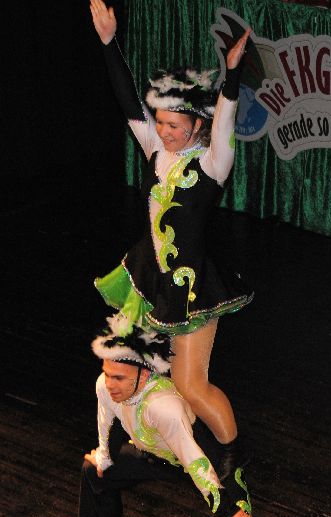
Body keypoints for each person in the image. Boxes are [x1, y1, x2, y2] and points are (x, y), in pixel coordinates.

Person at [89, 0, 253, 477]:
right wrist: (108, 43)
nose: (163, 131)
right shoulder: (156, 151)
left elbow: (226, 119)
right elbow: (127, 102)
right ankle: (158, 441)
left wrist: (233, 75)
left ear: (197, 125)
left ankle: (234, 449)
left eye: (174, 125)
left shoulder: (213, 163)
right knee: (155, 370)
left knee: (191, 384)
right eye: (159, 122)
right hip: (154, 280)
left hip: (195, 286)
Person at [69, 313, 265, 517]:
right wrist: (104, 458)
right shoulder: (104, 386)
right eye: (107, 373)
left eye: (119, 378)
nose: (110, 384)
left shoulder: (163, 407)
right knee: (93, 469)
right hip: (155, 455)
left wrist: (223, 511)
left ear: (144, 374)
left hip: (202, 462)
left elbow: (194, 460)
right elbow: (106, 423)